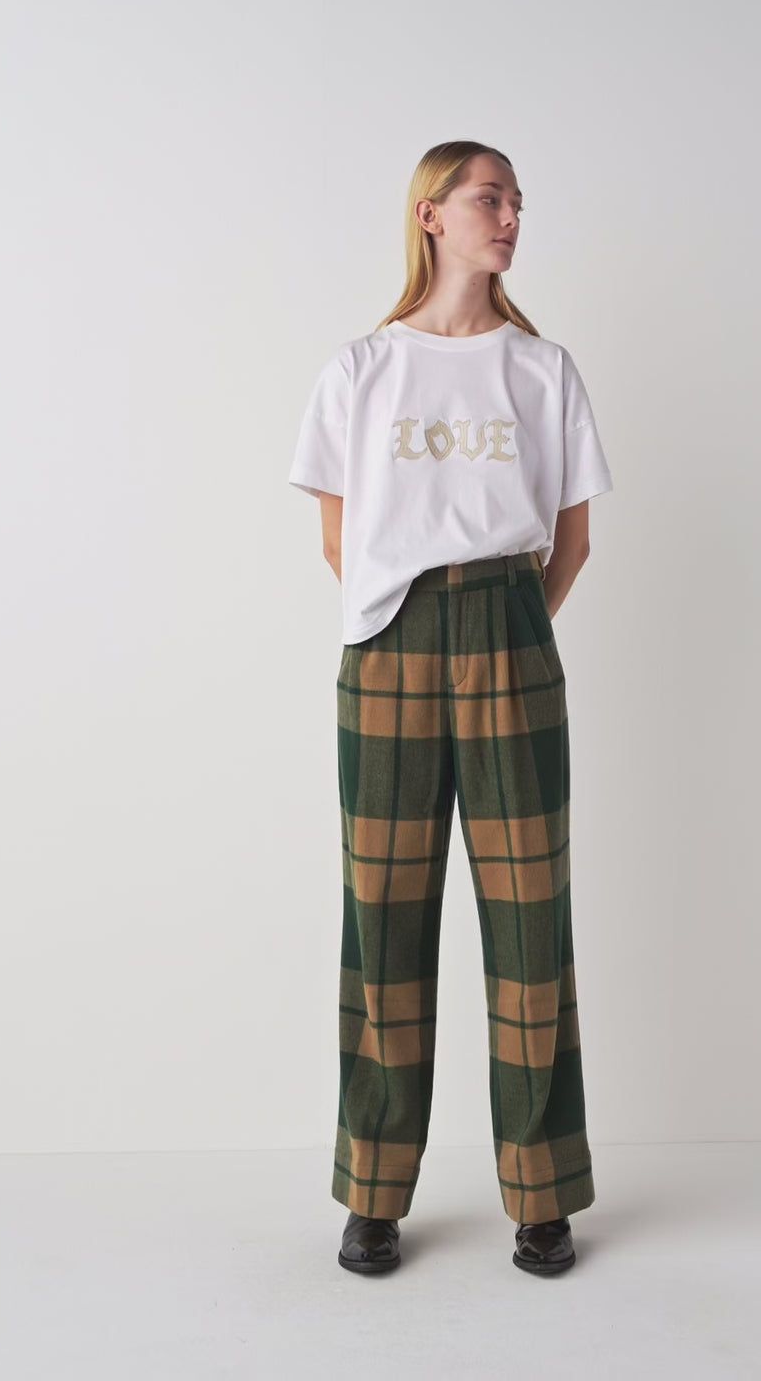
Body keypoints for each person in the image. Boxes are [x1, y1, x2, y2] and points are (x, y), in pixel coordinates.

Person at [288, 140, 614, 1276]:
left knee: (530, 916)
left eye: (518, 201)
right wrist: (408, 614)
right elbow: (338, 535)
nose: (511, 216)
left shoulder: (542, 369)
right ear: (431, 214)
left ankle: (542, 1193)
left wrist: (510, 624)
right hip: (390, 642)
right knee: (383, 915)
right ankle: (375, 1192)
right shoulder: (362, 368)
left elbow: (572, 540)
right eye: (490, 198)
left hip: (511, 629)